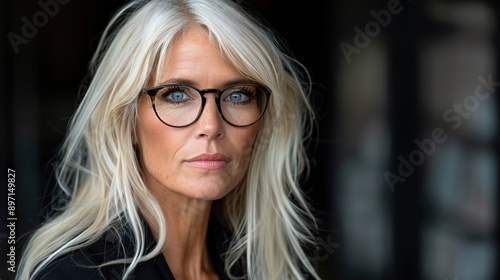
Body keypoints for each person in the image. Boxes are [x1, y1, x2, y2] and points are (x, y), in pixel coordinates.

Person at [17, 0, 321, 279]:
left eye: (238, 95)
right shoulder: (74, 273)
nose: (211, 125)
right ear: (126, 120)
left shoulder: (266, 268)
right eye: (176, 95)